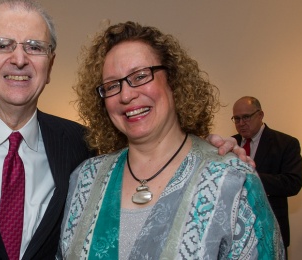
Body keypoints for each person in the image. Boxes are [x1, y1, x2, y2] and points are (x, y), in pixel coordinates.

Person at [0, 1, 246, 259]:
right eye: (2, 45)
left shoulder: (82, 146)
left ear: (50, 65)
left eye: (35, 47)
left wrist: (211, 148)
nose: (19, 59)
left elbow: (152, 139)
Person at [57, 21, 284, 259]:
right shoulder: (85, 179)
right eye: (112, 85)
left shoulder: (231, 179)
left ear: (173, 81)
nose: (126, 95)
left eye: (141, 76)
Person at [232, 96, 302, 258]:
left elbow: (293, 183)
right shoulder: (230, 144)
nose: (241, 123)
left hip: (271, 230)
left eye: (246, 117)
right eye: (236, 118)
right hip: (236, 234)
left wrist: (250, 176)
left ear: (260, 115)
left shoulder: (286, 143)